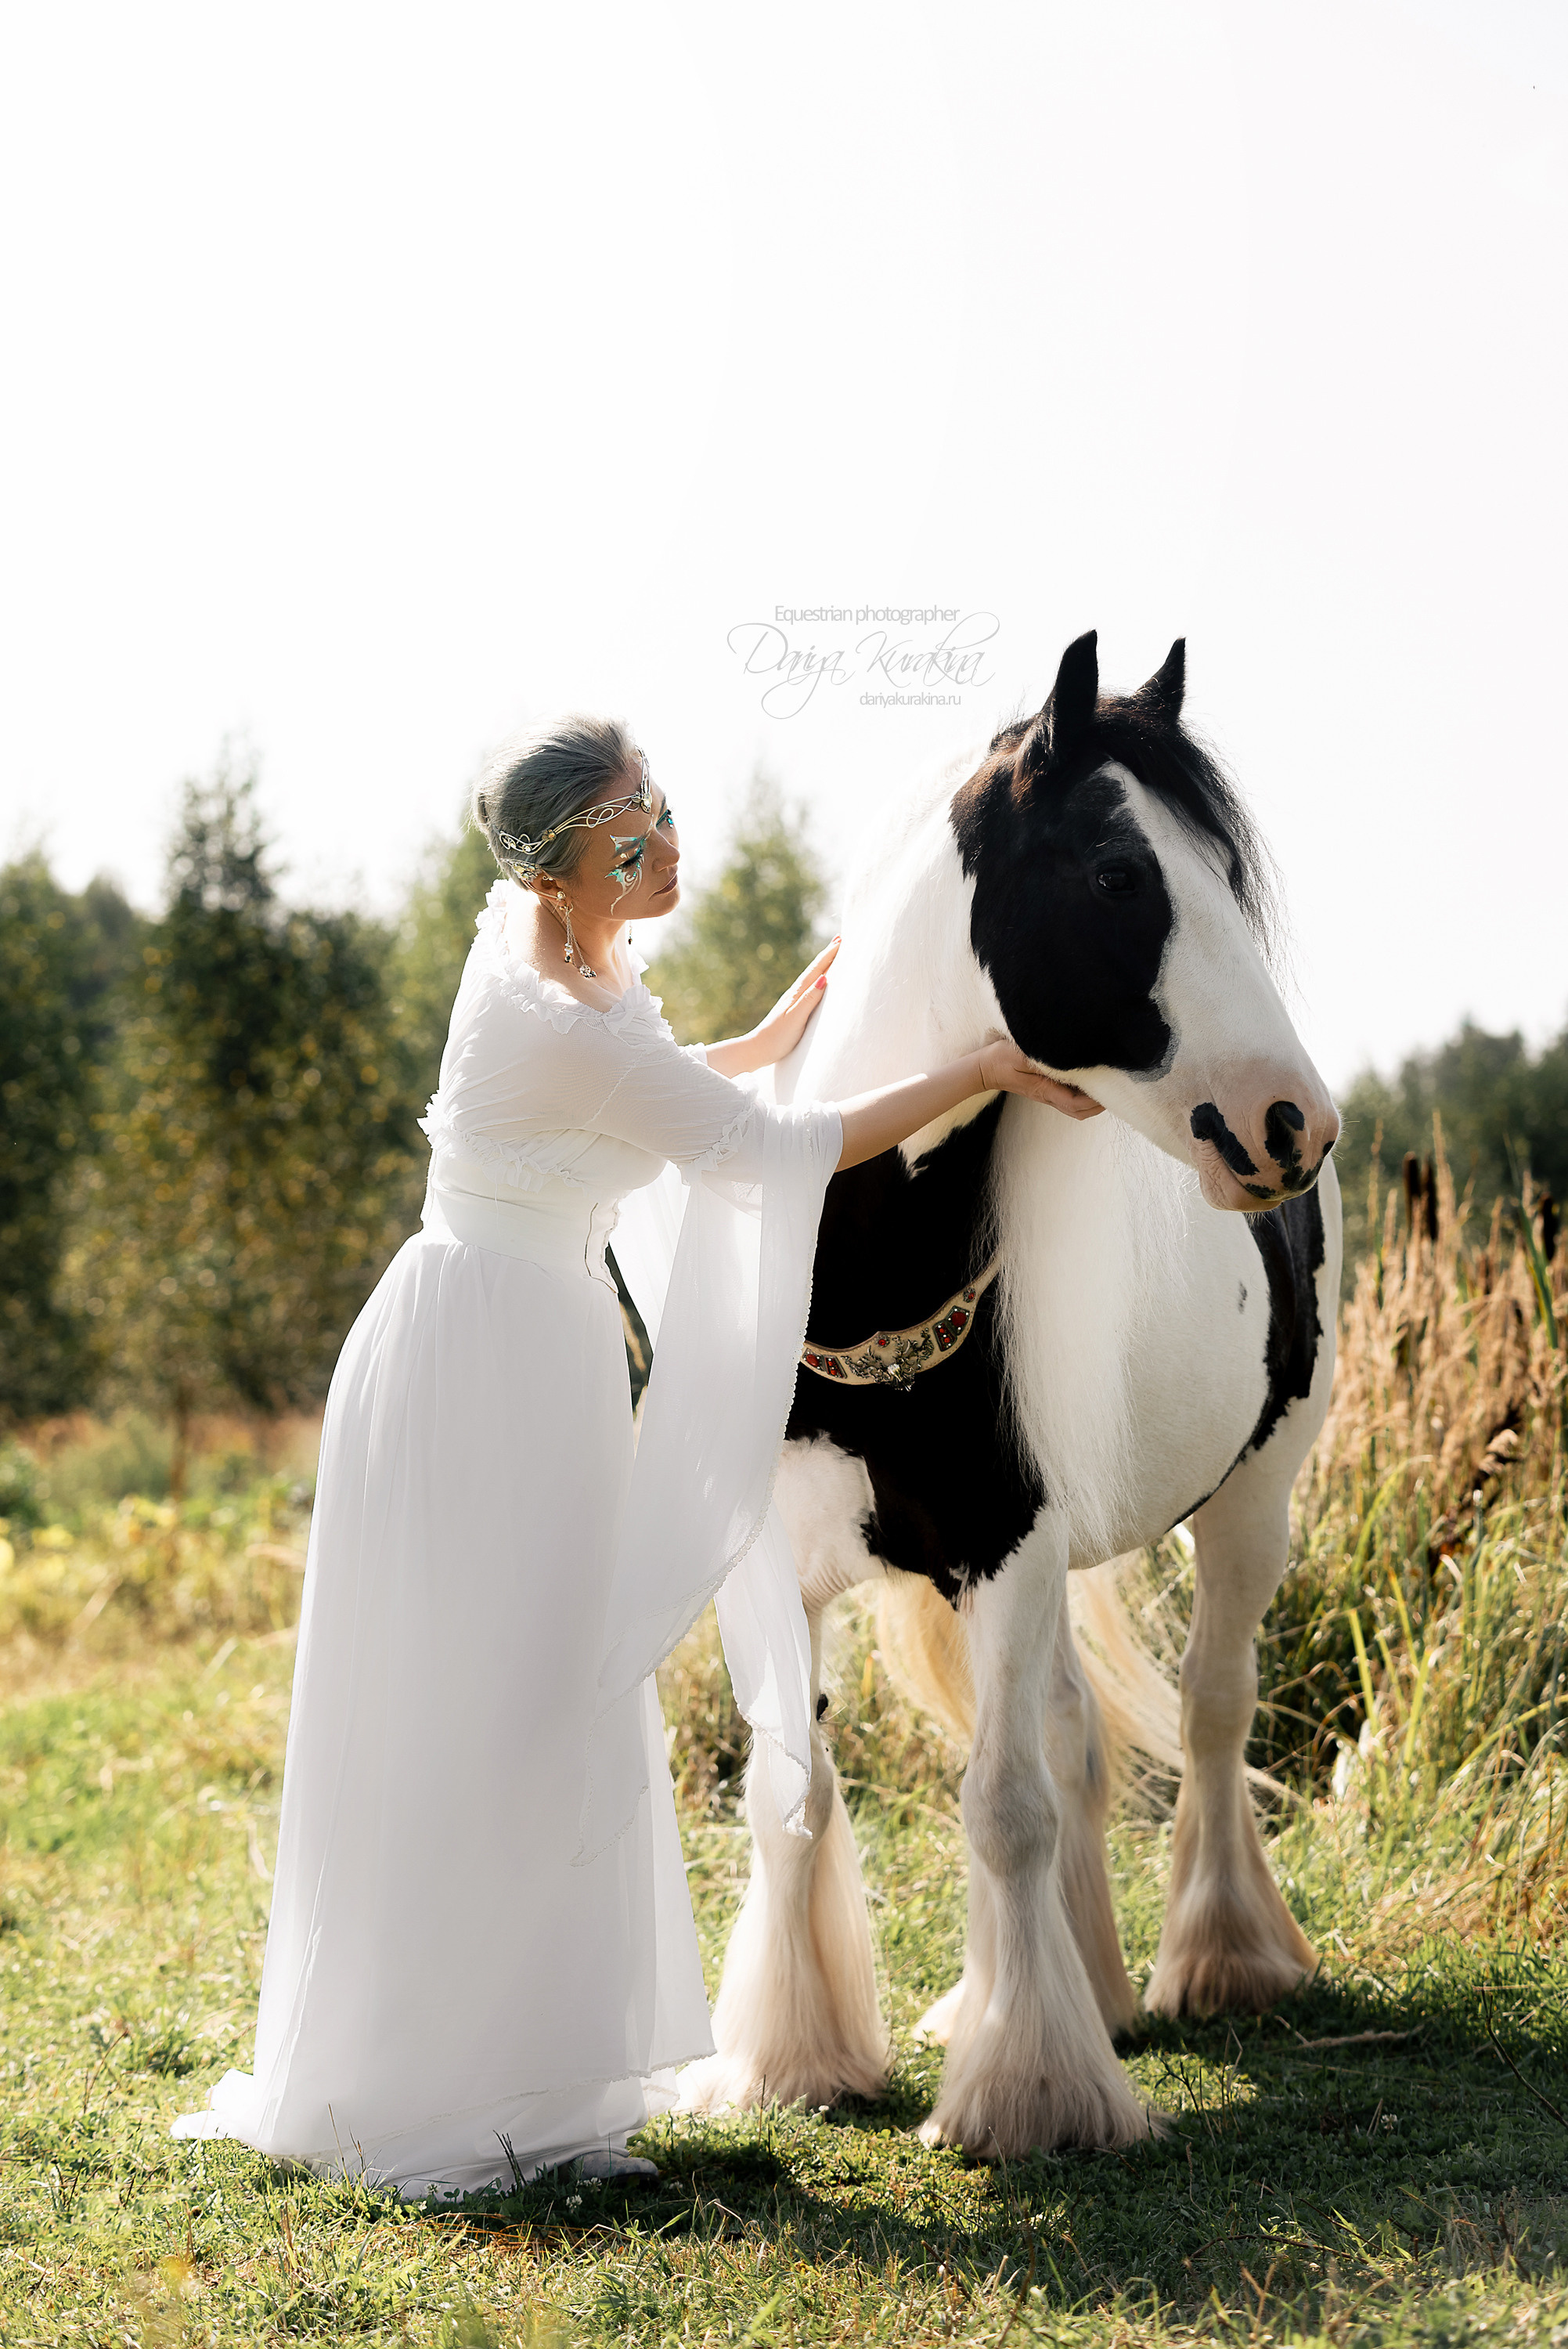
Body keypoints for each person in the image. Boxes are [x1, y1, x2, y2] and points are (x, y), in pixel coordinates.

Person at [173, 717, 1101, 2197]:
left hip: (523, 1345)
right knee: (493, 1707)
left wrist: (764, 1044)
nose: (667, 847)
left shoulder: (558, 959)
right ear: (553, 874)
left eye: (659, 808)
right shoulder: (550, 1008)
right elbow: (764, 1149)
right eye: (628, 839)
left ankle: (539, 2083)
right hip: (483, 1367)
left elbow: (638, 1094)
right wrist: (977, 1064)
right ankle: (438, 2089)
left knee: (549, 1702)